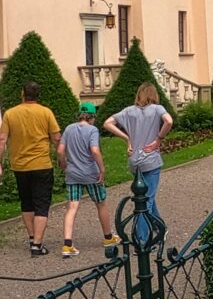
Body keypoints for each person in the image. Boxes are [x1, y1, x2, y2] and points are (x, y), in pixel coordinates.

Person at [103, 82, 173, 242]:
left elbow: (107, 123)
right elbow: (168, 121)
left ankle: (159, 226)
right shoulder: (157, 109)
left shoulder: (129, 111)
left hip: (135, 161)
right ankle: (142, 239)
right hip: (151, 159)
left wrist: (127, 138)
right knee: (145, 202)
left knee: (147, 195)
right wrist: (158, 139)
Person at [0, 81, 61, 256]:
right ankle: (37, 244)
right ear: (38, 95)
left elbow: (2, 140)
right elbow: (56, 138)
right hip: (42, 164)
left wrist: (0, 163)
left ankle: (32, 236)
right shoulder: (46, 112)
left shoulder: (11, 114)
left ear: (22, 94)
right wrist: (61, 157)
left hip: (19, 165)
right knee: (41, 204)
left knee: (26, 203)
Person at [57, 102, 119, 257]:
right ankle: (108, 237)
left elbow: (60, 150)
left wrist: (64, 163)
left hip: (72, 173)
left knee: (72, 207)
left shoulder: (69, 129)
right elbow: (95, 150)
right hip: (91, 173)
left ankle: (67, 244)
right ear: (92, 117)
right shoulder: (92, 130)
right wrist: (102, 169)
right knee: (100, 204)